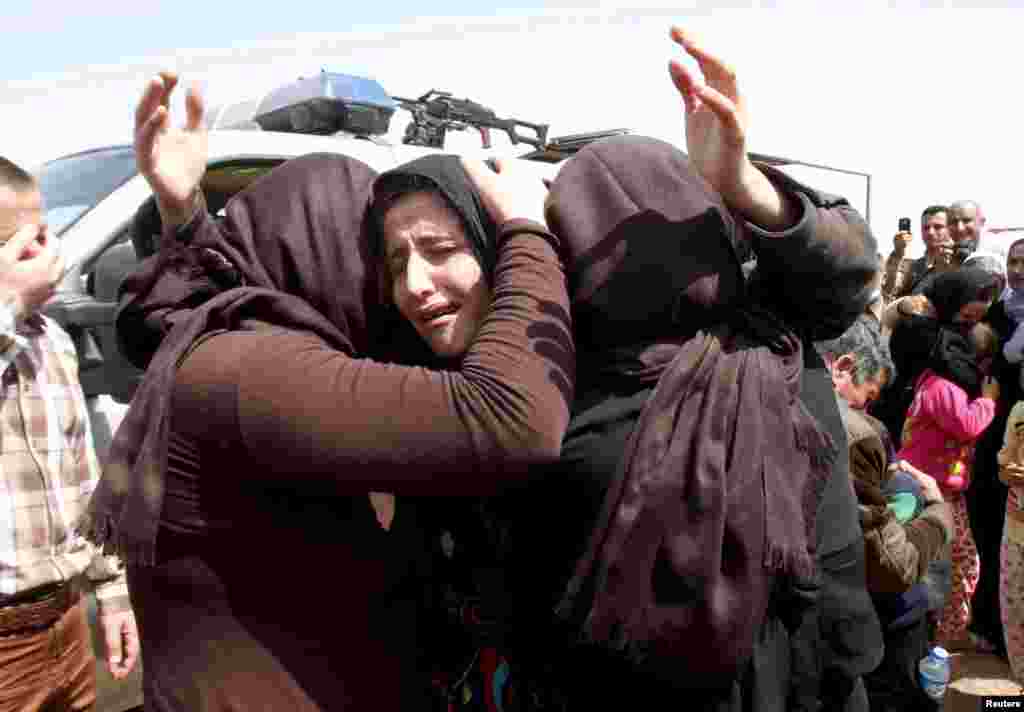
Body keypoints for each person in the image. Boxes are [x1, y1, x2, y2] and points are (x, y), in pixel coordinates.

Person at [373, 27, 881, 711]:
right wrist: (744, 184)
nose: (417, 285)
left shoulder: (559, 403)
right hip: (814, 679)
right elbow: (847, 270)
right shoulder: (781, 344)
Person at [79, 73, 574, 711]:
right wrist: (527, 234)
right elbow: (513, 421)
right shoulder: (245, 368)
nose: (406, 290)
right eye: (384, 263)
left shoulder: (237, 333)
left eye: (433, 253)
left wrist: (184, 219)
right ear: (324, 257)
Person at [0, 157, 139, 711]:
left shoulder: (51, 340)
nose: (48, 254)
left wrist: (111, 592)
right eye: (30, 242)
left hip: (63, 623)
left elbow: (82, 482)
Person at [818, 315, 954, 712]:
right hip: (860, 621)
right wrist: (937, 511)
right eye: (868, 393)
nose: (866, 406)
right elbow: (892, 566)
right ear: (843, 367)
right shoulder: (855, 433)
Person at [895, 315, 999, 650]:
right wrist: (989, 400)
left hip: (943, 491)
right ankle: (940, 634)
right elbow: (968, 425)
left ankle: (945, 630)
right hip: (932, 493)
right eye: (983, 364)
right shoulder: (945, 388)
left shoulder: (935, 382)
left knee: (953, 564)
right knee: (952, 565)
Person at [965, 237, 1024, 660]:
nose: (1019, 269)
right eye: (1013, 261)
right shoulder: (999, 313)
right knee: (993, 535)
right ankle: (994, 627)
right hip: (996, 439)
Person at [997, 400, 1024, 682]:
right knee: (1015, 612)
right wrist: (1006, 474)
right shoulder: (1019, 412)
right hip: (1015, 532)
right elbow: (1005, 465)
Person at [882, 206, 952, 301]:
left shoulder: (961, 264)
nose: (930, 232)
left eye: (938, 227)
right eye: (926, 228)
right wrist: (898, 253)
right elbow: (889, 293)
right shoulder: (913, 267)